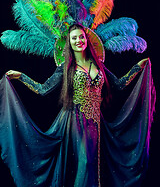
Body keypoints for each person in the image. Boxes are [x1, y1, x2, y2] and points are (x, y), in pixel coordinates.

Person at [2, 24, 153, 187]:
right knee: (85, 163)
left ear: (86, 39)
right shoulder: (66, 68)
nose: (78, 40)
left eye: (81, 37)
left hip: (97, 123)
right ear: (69, 42)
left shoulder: (98, 65)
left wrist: (138, 67)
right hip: (74, 121)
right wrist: (21, 77)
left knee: (95, 164)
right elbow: (43, 89)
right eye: (74, 38)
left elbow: (119, 84)